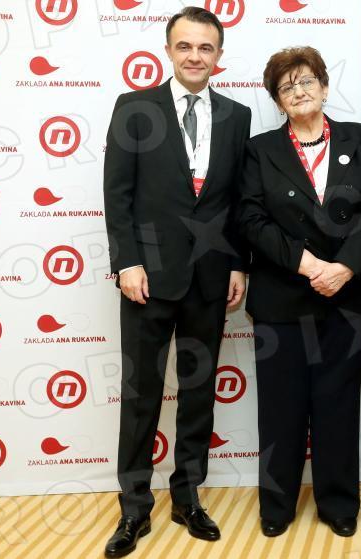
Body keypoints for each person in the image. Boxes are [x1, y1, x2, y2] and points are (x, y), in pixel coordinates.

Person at [102, 7, 251, 557]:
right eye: (185, 46)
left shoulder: (236, 116)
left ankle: (187, 497)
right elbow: (117, 192)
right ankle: (134, 507)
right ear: (168, 50)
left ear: (218, 56)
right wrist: (127, 262)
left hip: (209, 279)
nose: (195, 56)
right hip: (146, 278)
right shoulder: (134, 107)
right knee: (141, 395)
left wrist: (238, 264)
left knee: (198, 395)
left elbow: (238, 201)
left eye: (205, 48)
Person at [237, 47, 361, 538]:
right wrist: (308, 264)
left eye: (306, 81)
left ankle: (338, 503)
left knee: (337, 403)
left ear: (323, 86)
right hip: (282, 295)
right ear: (277, 100)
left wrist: (344, 267)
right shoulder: (260, 149)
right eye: (287, 87)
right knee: (279, 407)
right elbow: (250, 219)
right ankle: (276, 506)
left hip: (347, 294)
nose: (298, 91)